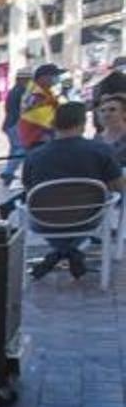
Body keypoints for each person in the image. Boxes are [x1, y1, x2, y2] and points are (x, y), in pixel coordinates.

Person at [22, 103, 126, 280]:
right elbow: (119, 187)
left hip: (45, 221)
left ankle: (61, 252)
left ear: (54, 124)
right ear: (83, 123)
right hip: (89, 219)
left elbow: (28, 190)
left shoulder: (34, 156)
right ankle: (69, 252)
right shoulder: (100, 151)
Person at [18, 63, 63, 149]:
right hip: (36, 139)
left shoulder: (46, 92)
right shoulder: (35, 94)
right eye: (54, 75)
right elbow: (50, 120)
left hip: (42, 137)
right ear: (43, 77)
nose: (57, 78)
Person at [0, 67, 32, 186]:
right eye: (29, 80)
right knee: (21, 148)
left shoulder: (14, 90)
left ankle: (9, 172)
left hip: (9, 123)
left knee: (15, 149)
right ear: (23, 79)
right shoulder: (21, 91)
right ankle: (8, 172)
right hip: (15, 124)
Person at [97, 94, 126, 165]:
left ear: (124, 114)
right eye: (102, 110)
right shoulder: (96, 139)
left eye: (112, 110)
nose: (106, 114)